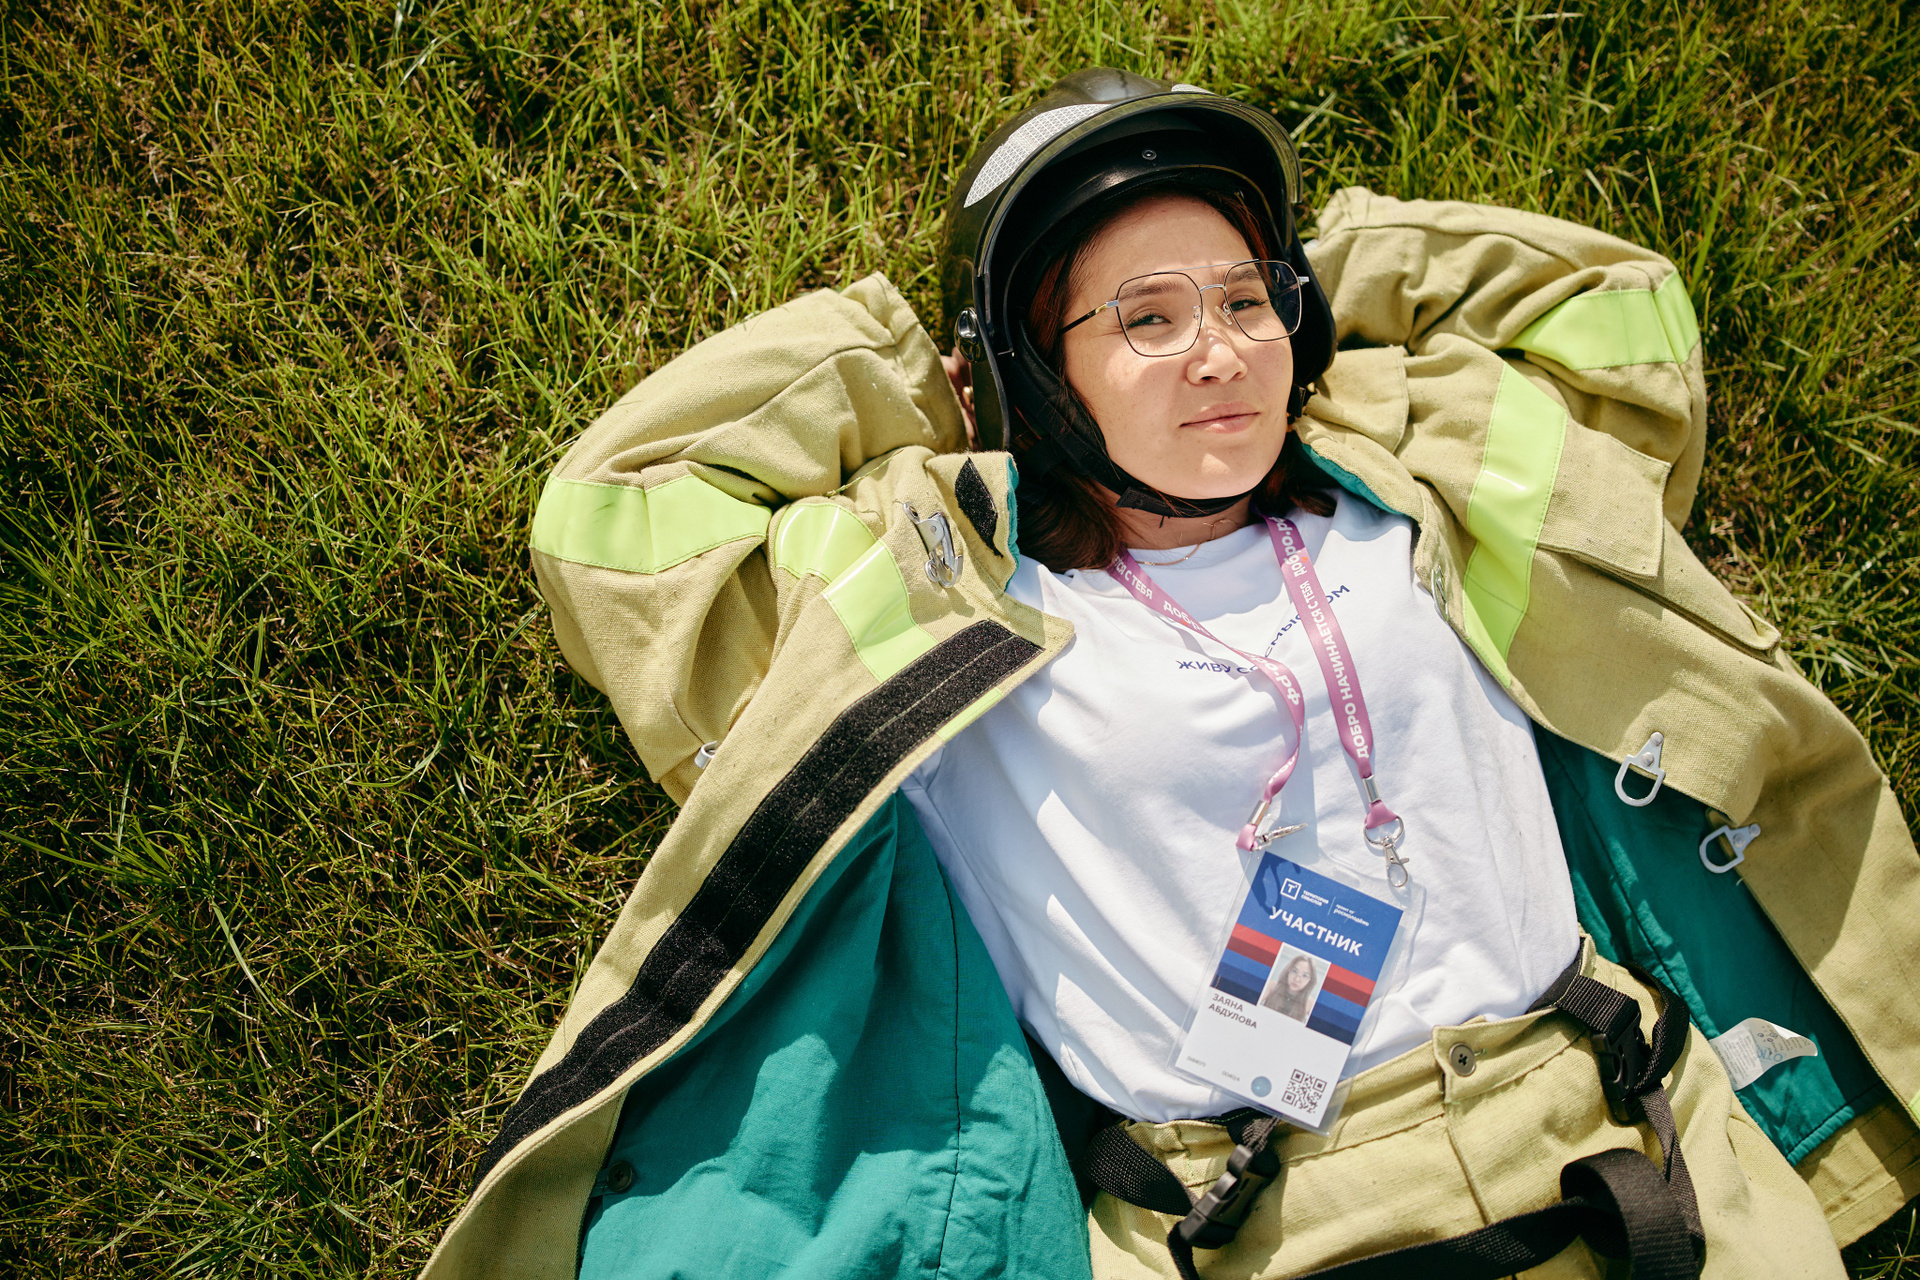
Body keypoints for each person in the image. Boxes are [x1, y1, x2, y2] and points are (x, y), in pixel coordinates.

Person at [423, 69, 1920, 1280]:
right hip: (1251, 1222)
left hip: (1634, 1135)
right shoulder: (942, 592)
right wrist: (933, 375)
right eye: (1144, 317)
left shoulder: (1412, 472)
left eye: (1245, 302)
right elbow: (618, 513)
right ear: (1024, 366)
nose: (1219, 353)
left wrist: (1320, 279)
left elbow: (1618, 317)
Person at [1261, 956, 1319, 1024]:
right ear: (1288, 972)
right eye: (1294, 971)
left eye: (1305, 976)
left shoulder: (1310, 1003)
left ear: (1310, 981)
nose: (1297, 979)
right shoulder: (1272, 986)